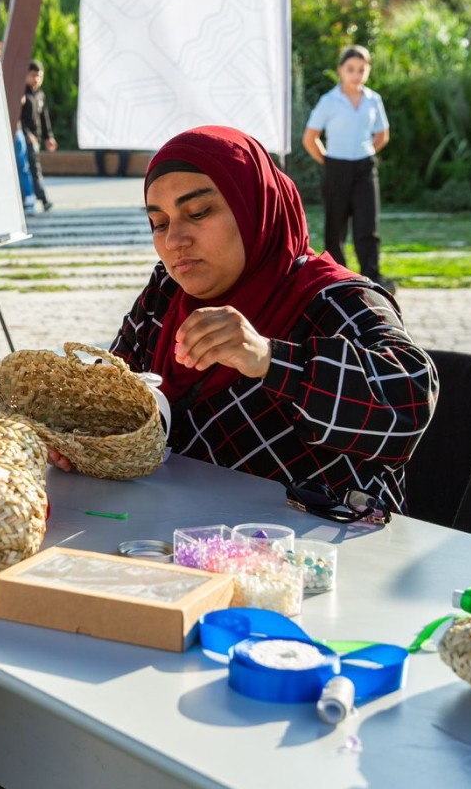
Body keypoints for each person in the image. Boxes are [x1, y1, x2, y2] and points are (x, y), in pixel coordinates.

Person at [55, 125, 434, 512]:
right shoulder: (167, 296)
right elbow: (115, 392)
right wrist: (80, 436)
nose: (174, 241)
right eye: (160, 223)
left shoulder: (336, 300)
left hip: (310, 554)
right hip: (175, 537)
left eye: (198, 212)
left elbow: (409, 405)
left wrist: (270, 359)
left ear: (254, 206)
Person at [302, 44, 392, 290]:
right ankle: (337, 280)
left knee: (367, 226)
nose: (356, 74)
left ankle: (372, 278)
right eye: (351, 69)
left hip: (364, 168)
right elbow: (310, 138)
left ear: (368, 71)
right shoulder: (329, 101)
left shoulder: (374, 100)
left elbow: (382, 134)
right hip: (336, 168)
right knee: (336, 226)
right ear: (340, 70)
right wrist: (329, 162)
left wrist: (368, 152)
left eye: (362, 70)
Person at [20, 59, 56, 213]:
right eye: (33, 75)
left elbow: (44, 118)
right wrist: (26, 133)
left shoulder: (40, 95)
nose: (36, 79)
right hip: (25, 139)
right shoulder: (22, 94)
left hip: (37, 138)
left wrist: (49, 137)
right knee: (33, 169)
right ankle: (43, 199)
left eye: (39, 76)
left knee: (33, 168)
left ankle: (34, 198)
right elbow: (18, 117)